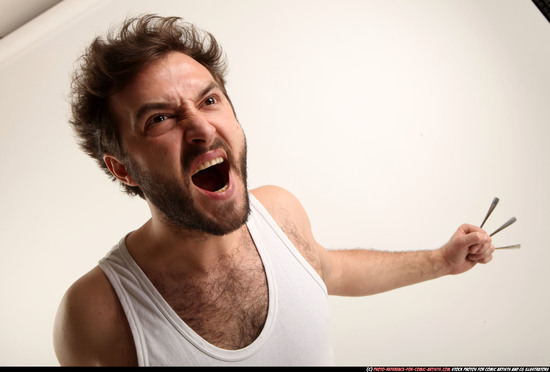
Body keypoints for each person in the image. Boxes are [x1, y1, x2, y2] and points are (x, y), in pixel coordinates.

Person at [53, 14, 495, 366]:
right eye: (160, 119)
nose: (201, 128)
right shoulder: (96, 314)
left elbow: (330, 270)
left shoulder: (280, 211)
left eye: (209, 100)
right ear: (123, 168)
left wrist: (440, 261)